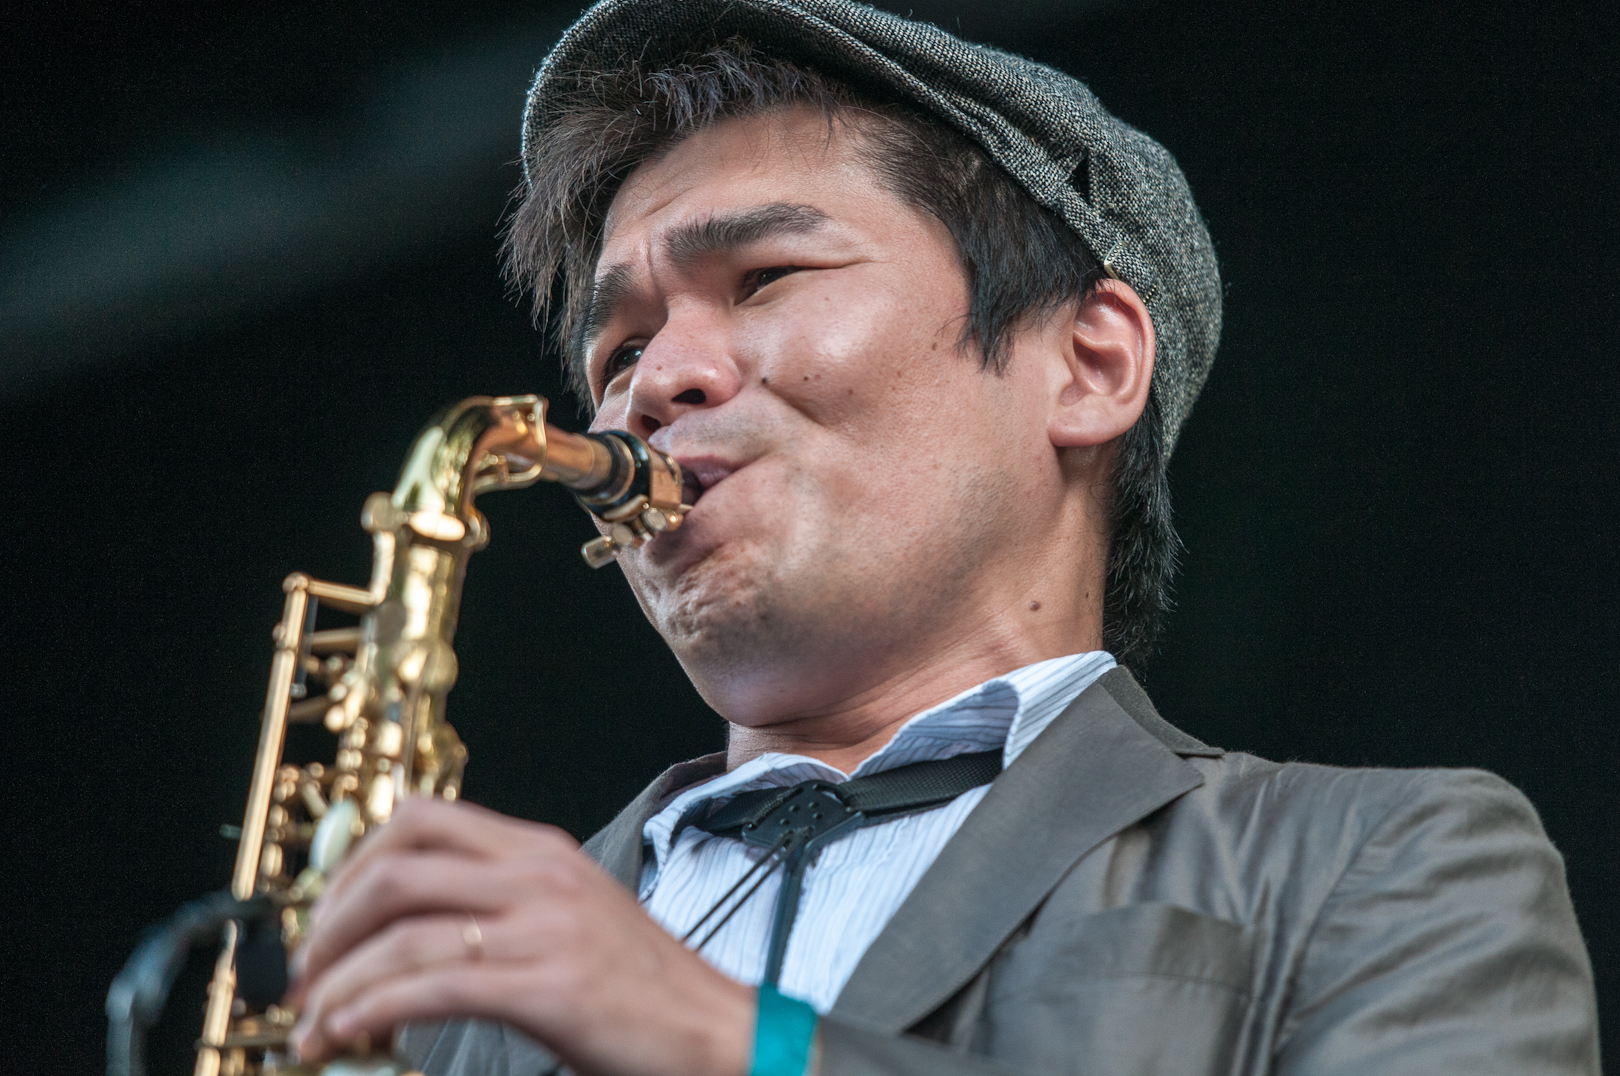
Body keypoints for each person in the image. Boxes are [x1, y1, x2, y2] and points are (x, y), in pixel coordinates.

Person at [285, 2, 1601, 1074]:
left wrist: (730, 1047)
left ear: (1087, 367)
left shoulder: (1382, 862)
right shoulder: (442, 993)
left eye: (767, 278)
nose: (651, 381)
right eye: (619, 344)